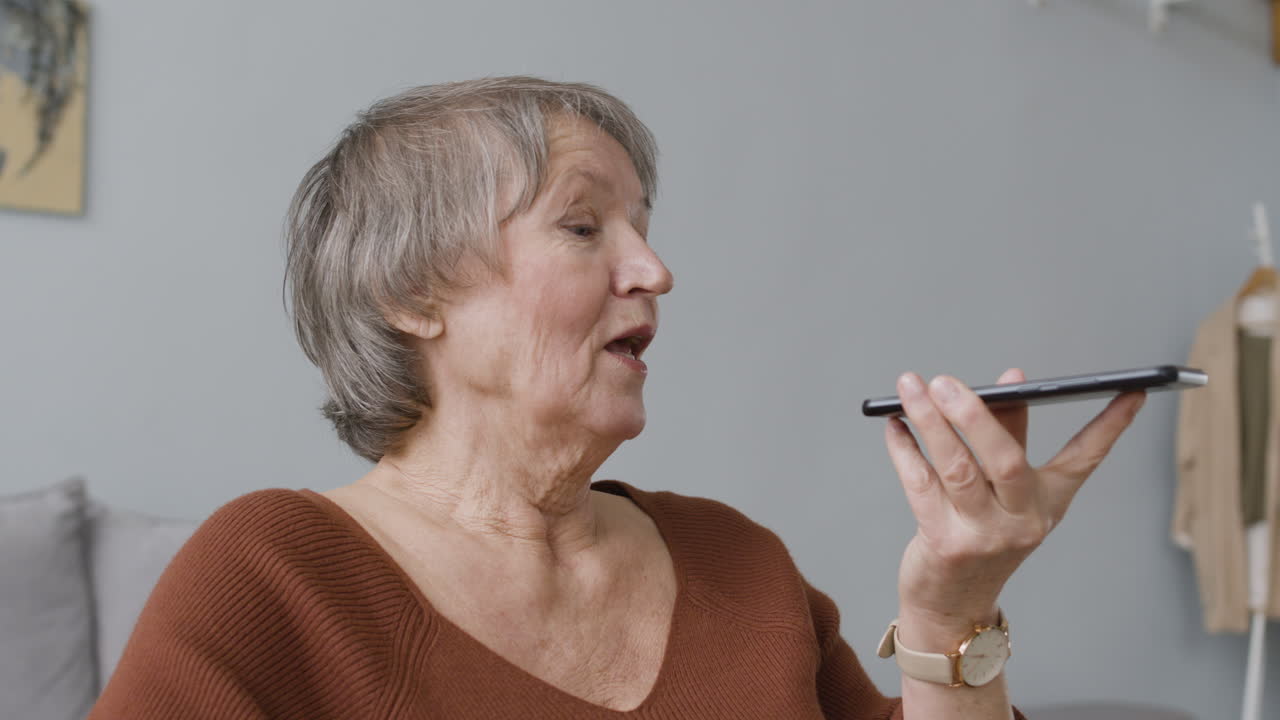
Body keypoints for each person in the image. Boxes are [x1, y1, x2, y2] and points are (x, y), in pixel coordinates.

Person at [90, 76, 1144, 719]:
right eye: (584, 227)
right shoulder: (273, 575)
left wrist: (950, 606)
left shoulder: (737, 564)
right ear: (412, 292)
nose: (653, 269)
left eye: (641, 227)